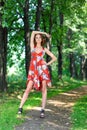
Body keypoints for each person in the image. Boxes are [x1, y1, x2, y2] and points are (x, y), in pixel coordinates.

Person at [18, 31, 57, 118]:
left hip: (42, 71)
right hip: (33, 71)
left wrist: (46, 64)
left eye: (39, 37)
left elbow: (54, 58)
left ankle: (42, 110)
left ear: (42, 39)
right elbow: (32, 33)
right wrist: (44, 33)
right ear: (35, 39)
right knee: (28, 89)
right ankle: (20, 108)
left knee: (44, 89)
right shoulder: (32, 47)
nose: (38, 39)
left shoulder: (44, 49)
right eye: (36, 38)